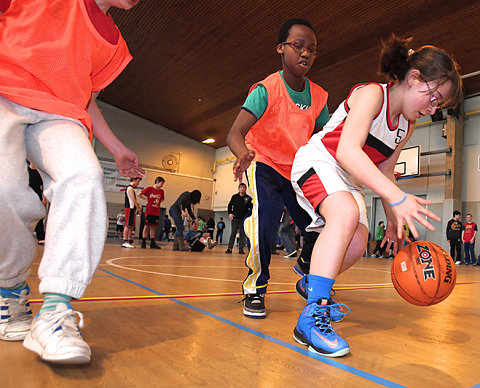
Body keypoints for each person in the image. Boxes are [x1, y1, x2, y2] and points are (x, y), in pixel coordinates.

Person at [291, 34, 462, 357]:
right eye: (434, 97)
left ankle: (311, 282)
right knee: (344, 214)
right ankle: (312, 317)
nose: (433, 107)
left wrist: (394, 219)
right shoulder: (372, 95)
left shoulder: (406, 125)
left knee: (356, 244)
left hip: (349, 176)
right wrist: (398, 199)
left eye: (439, 102)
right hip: (319, 161)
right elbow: (347, 151)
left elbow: (384, 171)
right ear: (414, 79)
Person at [0, 0, 145, 364]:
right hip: (5, 93)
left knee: (85, 177)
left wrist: (117, 148)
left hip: (61, 114)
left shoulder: (114, 43)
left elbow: (89, 100)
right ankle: (10, 291)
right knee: (6, 191)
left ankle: (54, 311)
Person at [226, 18, 329, 318]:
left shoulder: (319, 97)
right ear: (281, 48)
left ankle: (307, 272)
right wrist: (242, 153)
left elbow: (326, 140)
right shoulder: (266, 89)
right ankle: (255, 289)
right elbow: (234, 133)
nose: (306, 54)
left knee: (324, 221)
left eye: (312, 49)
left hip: (297, 170)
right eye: (298, 46)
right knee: (264, 226)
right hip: (266, 166)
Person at [225, 183, 252, 255]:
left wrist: (248, 216)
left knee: (242, 234)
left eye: (244, 188)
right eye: (241, 187)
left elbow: (252, 208)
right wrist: (230, 213)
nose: (242, 189)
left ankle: (241, 249)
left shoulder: (248, 198)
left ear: (245, 189)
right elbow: (230, 205)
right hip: (235, 218)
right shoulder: (235, 197)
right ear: (238, 188)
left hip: (243, 219)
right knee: (233, 233)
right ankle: (229, 248)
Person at [138, 176, 165, 249]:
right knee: (146, 226)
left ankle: (152, 243)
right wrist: (147, 199)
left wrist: (157, 201)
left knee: (153, 227)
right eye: (161, 183)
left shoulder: (161, 191)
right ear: (157, 182)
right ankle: (143, 241)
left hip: (156, 211)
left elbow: (162, 199)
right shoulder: (149, 189)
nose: (162, 185)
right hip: (149, 210)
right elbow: (139, 194)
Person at [27, 162, 47, 245]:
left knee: (39, 216)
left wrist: (44, 197)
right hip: (28, 196)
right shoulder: (26, 171)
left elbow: (44, 185)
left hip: (38, 196)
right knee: (28, 216)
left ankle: (40, 236)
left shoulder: (39, 173)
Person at [122, 177, 141, 248]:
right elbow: (133, 200)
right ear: (134, 180)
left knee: (131, 225)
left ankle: (130, 240)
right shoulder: (130, 188)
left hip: (132, 209)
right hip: (130, 208)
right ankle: (124, 241)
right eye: (138, 181)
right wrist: (138, 208)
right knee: (128, 225)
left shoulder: (131, 188)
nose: (138, 183)